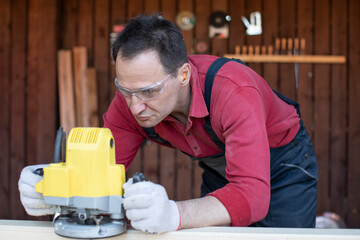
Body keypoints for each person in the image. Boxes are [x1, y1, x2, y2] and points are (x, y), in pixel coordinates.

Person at [18, 14, 318, 234]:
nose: (135, 107)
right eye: (125, 90)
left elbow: (252, 193)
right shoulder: (130, 102)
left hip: (284, 166)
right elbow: (96, 175)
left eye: (149, 91)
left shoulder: (234, 92)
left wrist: (173, 214)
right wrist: (54, 190)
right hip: (222, 169)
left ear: (183, 75)